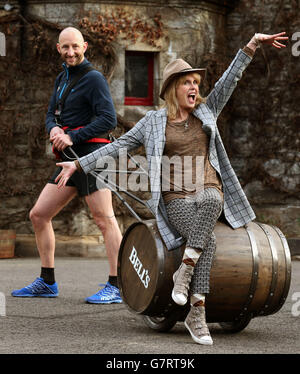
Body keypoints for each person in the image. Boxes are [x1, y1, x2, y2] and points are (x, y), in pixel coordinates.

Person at [53, 32, 288, 344]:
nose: (195, 88)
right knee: (207, 243)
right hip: (175, 197)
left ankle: (186, 277)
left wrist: (252, 46)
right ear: (173, 89)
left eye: (196, 82)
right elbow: (119, 144)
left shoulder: (207, 111)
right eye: (187, 82)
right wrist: (78, 164)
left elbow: (230, 80)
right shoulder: (153, 122)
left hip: (209, 190)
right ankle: (197, 311)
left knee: (209, 198)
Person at [11, 27, 123, 304]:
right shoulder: (62, 78)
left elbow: (109, 119)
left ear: (84, 46)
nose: (71, 52)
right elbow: (51, 113)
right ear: (58, 49)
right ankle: (47, 282)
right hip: (68, 159)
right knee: (39, 215)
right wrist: (54, 130)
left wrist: (72, 135)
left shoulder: (94, 78)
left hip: (94, 155)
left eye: (75, 46)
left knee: (104, 219)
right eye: (65, 48)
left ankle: (118, 285)